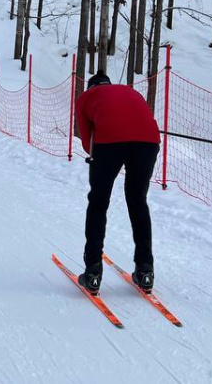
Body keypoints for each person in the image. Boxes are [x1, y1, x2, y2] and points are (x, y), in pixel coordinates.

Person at [73, 71, 161, 295]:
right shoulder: (129, 91)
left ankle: (93, 271)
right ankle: (145, 270)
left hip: (109, 142)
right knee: (138, 201)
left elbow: (86, 141)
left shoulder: (85, 97)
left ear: (91, 86)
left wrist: (99, 157)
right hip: (148, 141)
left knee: (99, 201)